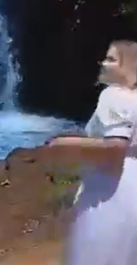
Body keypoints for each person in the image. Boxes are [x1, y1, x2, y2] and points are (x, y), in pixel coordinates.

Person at [43, 40, 137, 265]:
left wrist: (61, 145)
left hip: (109, 193)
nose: (103, 64)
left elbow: (115, 149)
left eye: (112, 59)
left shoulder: (113, 95)